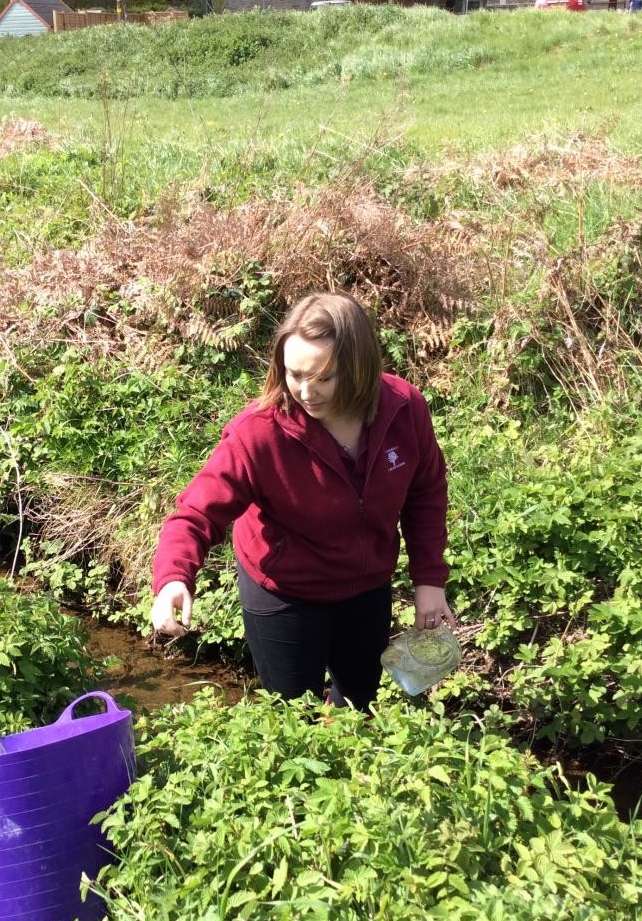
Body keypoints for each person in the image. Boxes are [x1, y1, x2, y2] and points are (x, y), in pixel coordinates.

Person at [150, 290, 455, 712]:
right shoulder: (257, 434)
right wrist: (173, 579)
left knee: (357, 708)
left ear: (359, 368)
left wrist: (429, 581)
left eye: (323, 378)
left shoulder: (403, 409)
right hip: (285, 593)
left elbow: (426, 493)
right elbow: (195, 513)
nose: (306, 391)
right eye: (294, 374)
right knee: (293, 716)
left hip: (366, 589)